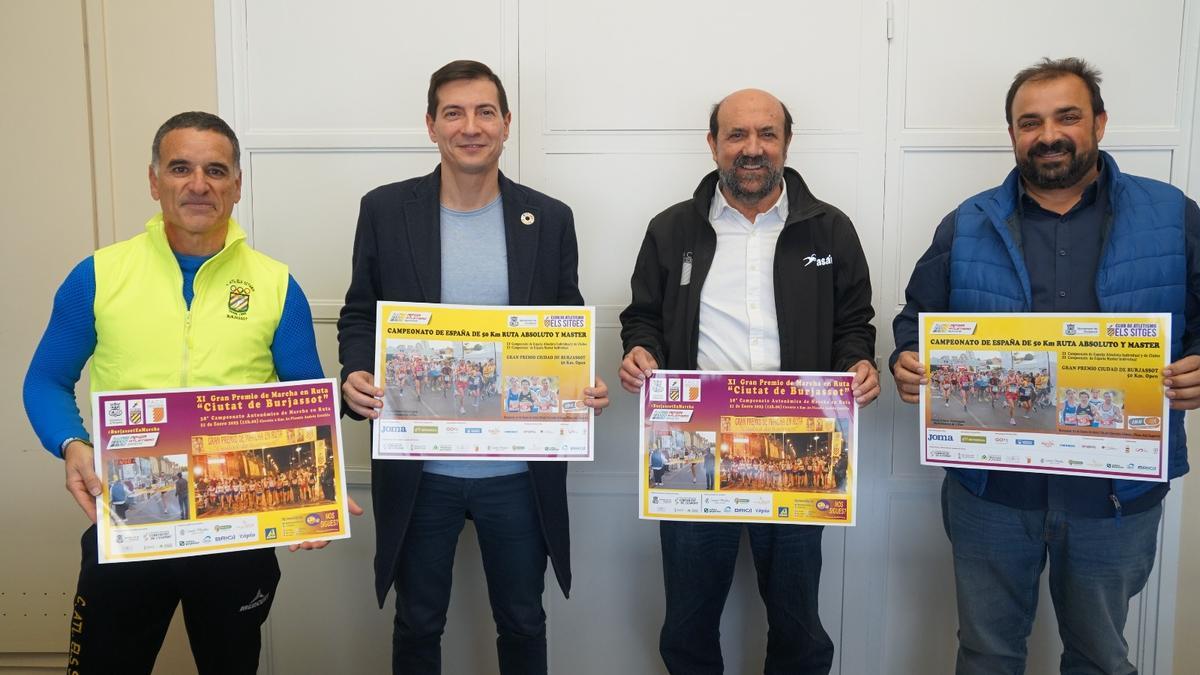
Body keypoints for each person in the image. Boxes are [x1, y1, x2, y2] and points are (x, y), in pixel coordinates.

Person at [890, 57, 1200, 674]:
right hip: (991, 493)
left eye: (1067, 117)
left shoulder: (1174, 216)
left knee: (1100, 658)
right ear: (1012, 134)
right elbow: (916, 320)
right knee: (986, 654)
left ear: (1100, 124)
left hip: (1116, 493)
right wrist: (907, 360)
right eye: (1029, 122)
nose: (1048, 134)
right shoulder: (968, 223)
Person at [22, 111, 359, 674]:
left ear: (237, 185)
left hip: (237, 534)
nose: (198, 184)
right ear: (154, 180)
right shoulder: (98, 276)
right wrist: (70, 444)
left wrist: (315, 495)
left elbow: (306, 402)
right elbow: (46, 381)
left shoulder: (276, 284)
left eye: (215, 170)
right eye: (181, 168)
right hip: (129, 522)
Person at [336, 60, 609, 675]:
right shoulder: (384, 210)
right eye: (454, 113)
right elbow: (359, 313)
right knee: (418, 622)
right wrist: (355, 371)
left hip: (517, 470)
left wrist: (581, 385)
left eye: (485, 112)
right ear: (430, 125)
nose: (471, 126)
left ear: (506, 124)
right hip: (419, 465)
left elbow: (564, 323)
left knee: (522, 619)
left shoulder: (551, 217)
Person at [619, 88, 879, 675]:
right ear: (713, 144)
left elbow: (852, 324)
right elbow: (643, 317)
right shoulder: (671, 229)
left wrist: (858, 363)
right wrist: (640, 349)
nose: (753, 148)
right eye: (737, 135)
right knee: (687, 624)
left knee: (798, 627)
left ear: (787, 143)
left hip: (800, 443)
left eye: (767, 134)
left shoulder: (830, 230)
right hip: (694, 445)